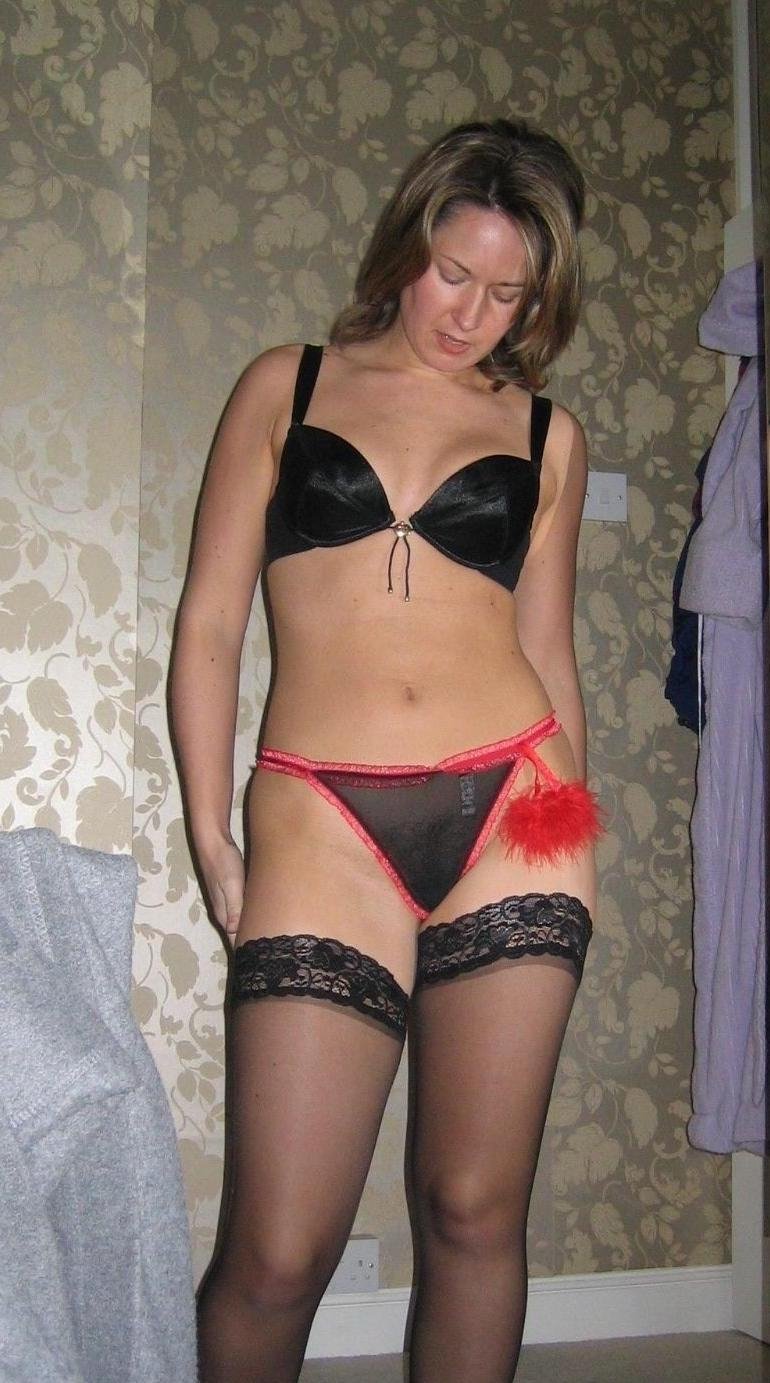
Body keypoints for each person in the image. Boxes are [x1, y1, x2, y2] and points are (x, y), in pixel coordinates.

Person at [171, 117, 600, 1383]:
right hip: (320, 816)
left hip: (514, 815)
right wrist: (212, 837)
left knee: (473, 1211)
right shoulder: (286, 386)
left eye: (507, 293)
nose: (471, 314)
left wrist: (574, 832)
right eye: (453, 273)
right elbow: (209, 625)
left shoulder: (547, 436)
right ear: (406, 245)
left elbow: (549, 651)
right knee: (276, 1250)